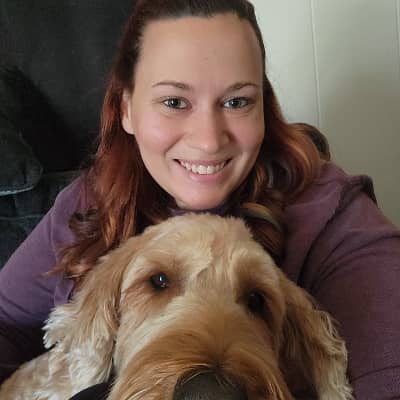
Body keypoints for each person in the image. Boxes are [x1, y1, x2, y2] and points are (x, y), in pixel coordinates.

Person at [0, 0, 399, 399]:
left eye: (237, 101)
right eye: (174, 102)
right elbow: (6, 322)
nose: (208, 140)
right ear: (127, 109)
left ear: (263, 109)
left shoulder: (337, 216)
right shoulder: (86, 202)